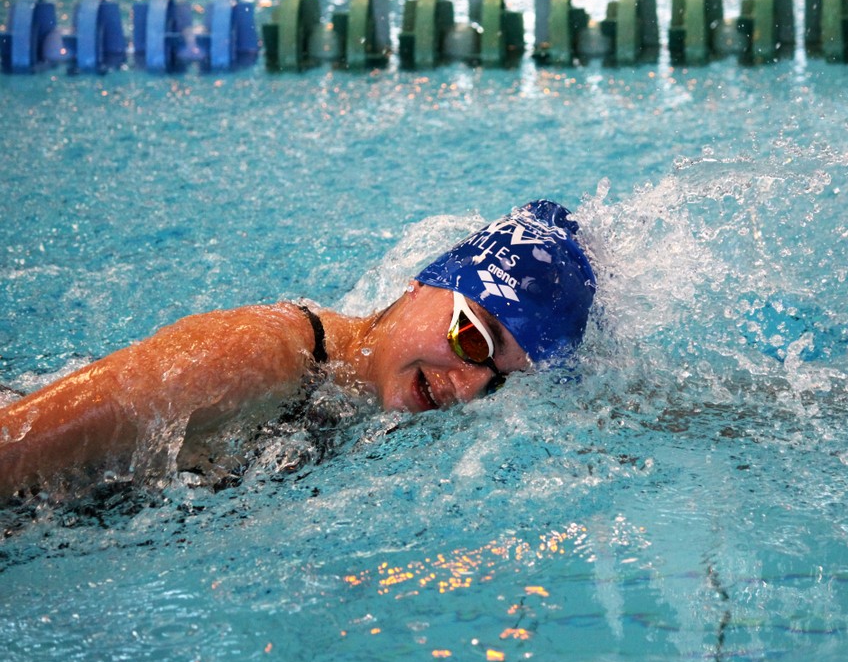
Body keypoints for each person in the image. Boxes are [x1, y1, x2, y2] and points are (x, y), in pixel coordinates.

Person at [0, 200, 597, 497]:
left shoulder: (363, 404)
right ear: (425, 282)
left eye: (498, 382)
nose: (466, 388)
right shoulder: (255, 355)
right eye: (472, 338)